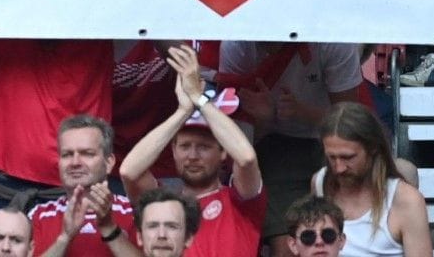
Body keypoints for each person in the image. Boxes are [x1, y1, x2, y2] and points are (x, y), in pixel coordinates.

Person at [118, 44, 264, 257]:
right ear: (174, 151)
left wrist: (199, 99)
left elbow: (247, 159)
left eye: (204, 147)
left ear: (223, 152)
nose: (193, 155)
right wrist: (183, 111)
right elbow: (129, 172)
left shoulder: (240, 200)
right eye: (185, 146)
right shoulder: (163, 204)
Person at [307, 104, 431, 257]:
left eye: (348, 157)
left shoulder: (406, 200)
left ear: (373, 148)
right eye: (332, 157)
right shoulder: (319, 183)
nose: (339, 168)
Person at [28, 117, 140, 257]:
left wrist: (109, 228)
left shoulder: (133, 213)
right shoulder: (38, 215)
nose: (75, 162)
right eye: (67, 154)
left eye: (87, 153)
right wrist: (65, 238)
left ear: (109, 162)